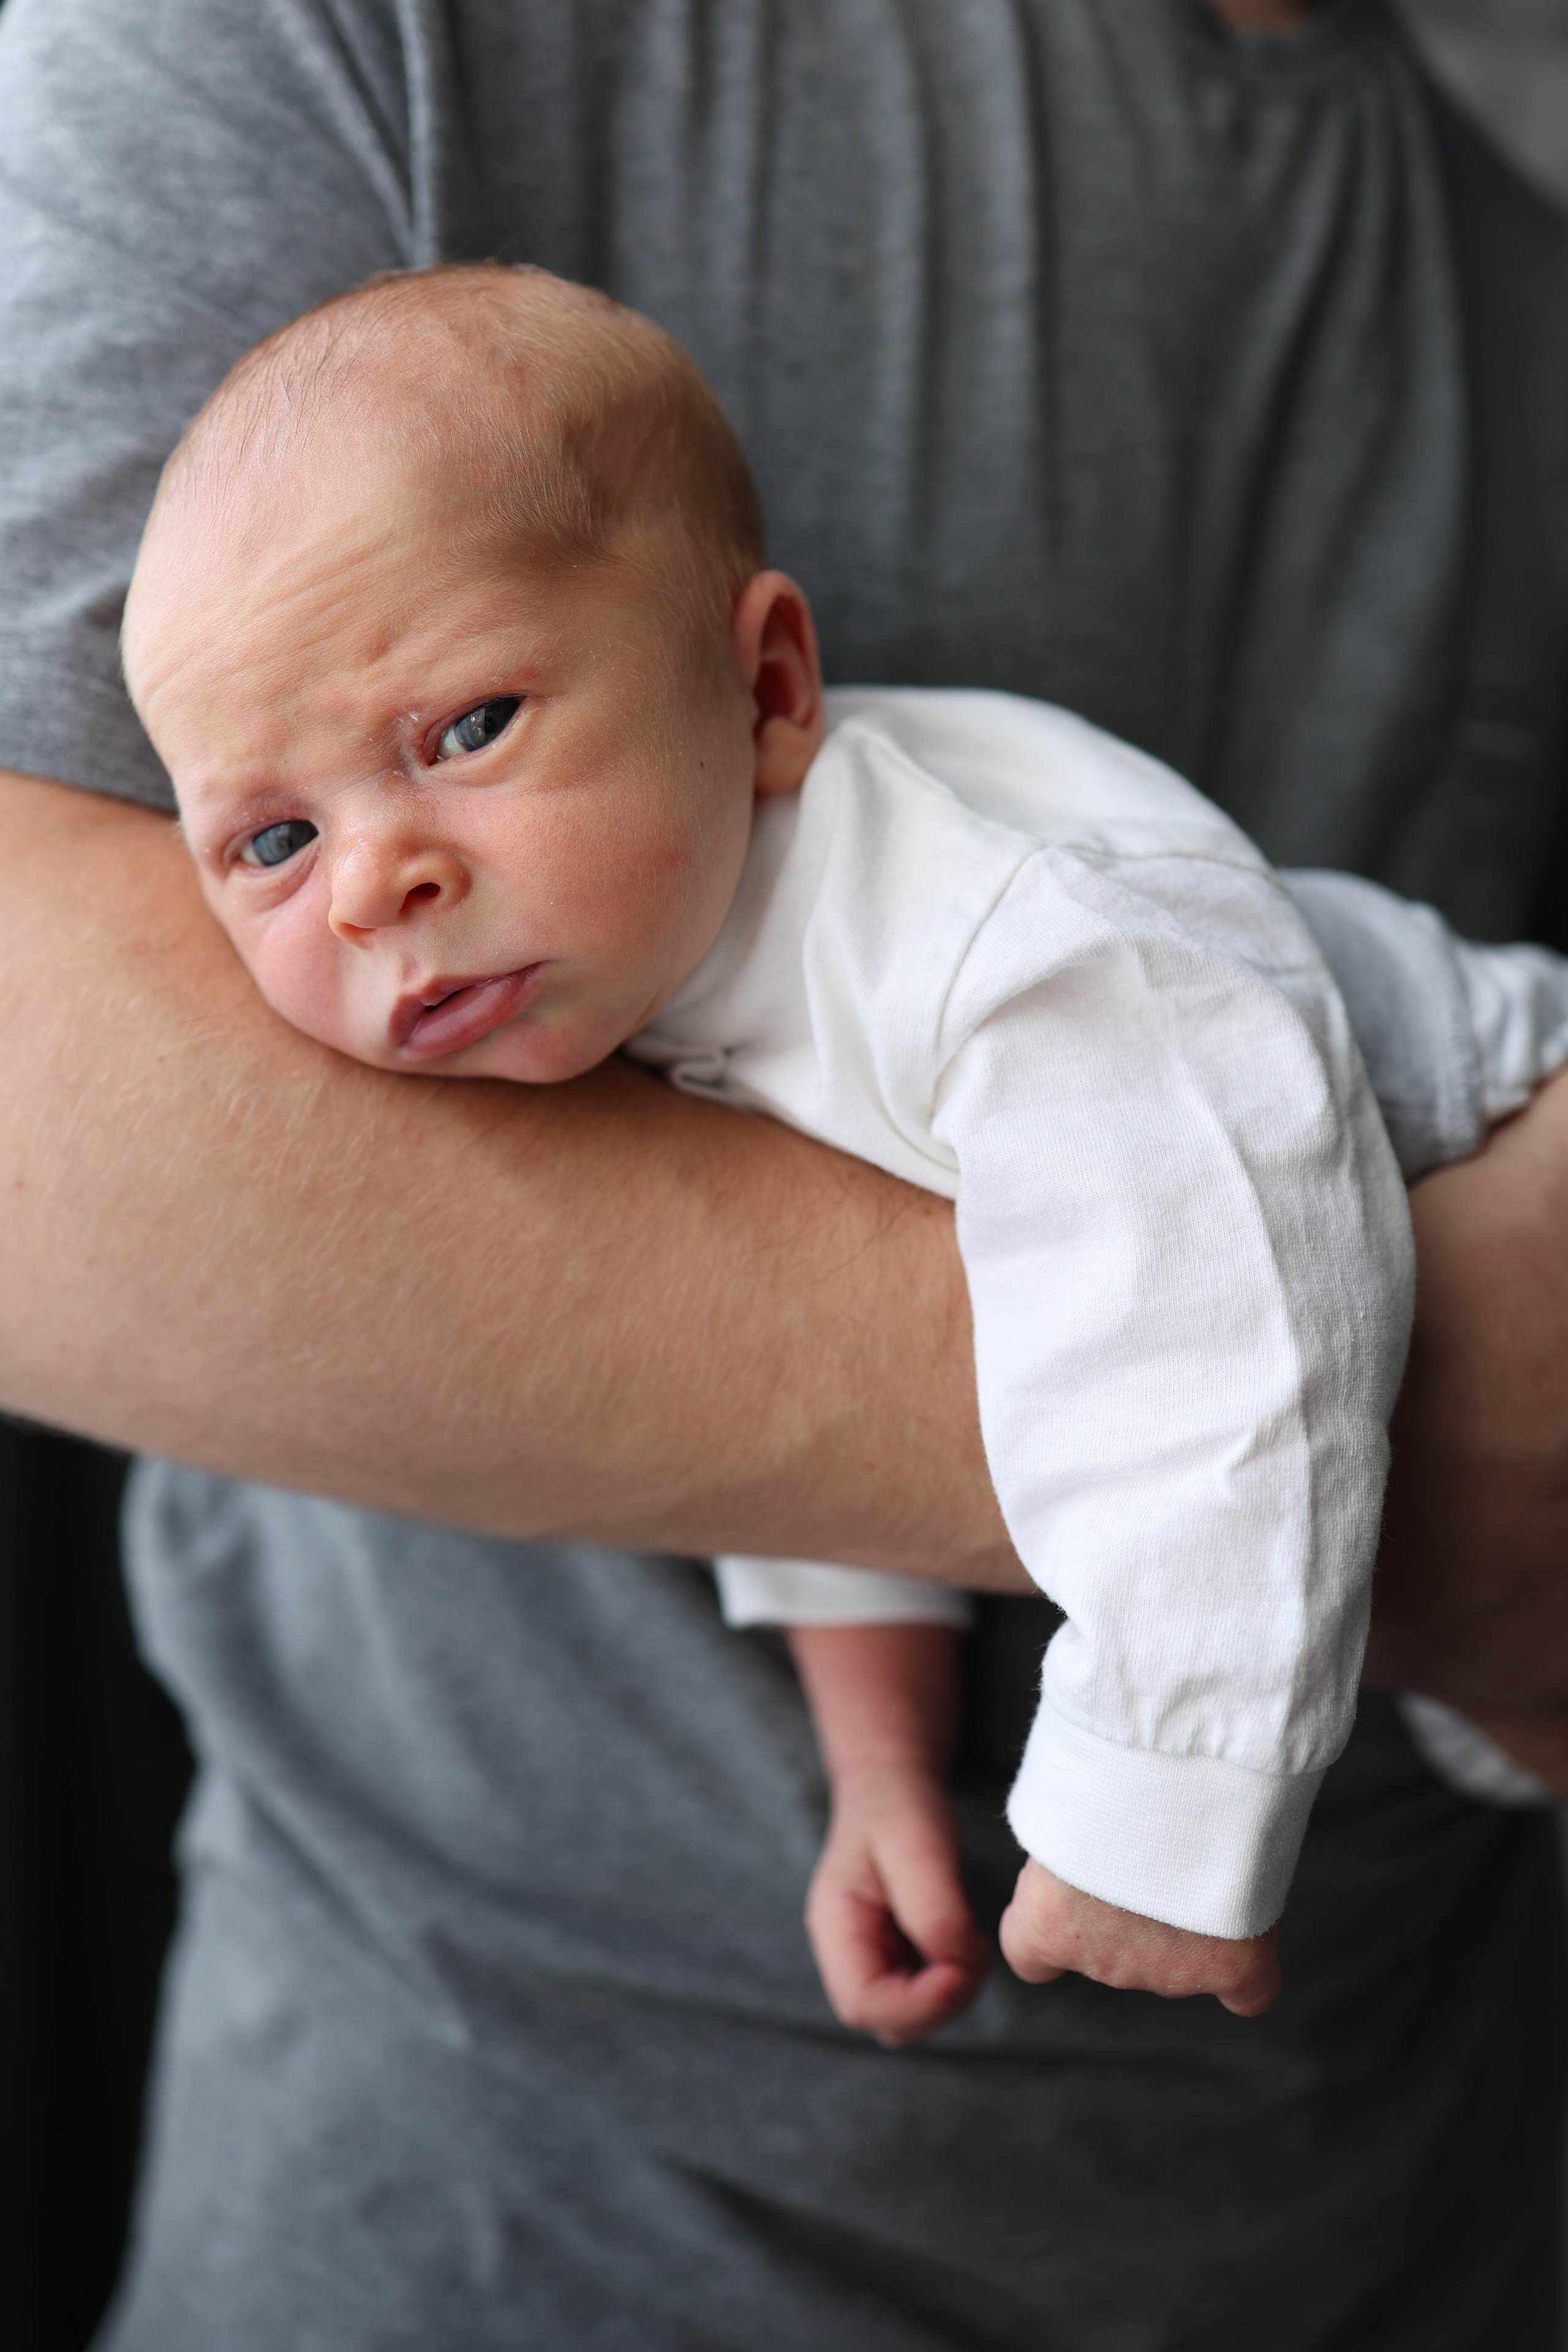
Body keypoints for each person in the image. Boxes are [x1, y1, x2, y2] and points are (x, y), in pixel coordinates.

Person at [3, 0, 1568, 2343]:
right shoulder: (656, 957)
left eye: (467, 727)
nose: (377, 879)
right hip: (495, 2199)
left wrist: (1165, 1799)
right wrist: (881, 1765)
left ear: (764, 691)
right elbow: (843, 1316)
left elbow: (1215, 1229)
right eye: (268, 842)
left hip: (1388, 2168)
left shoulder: (1002, 934)